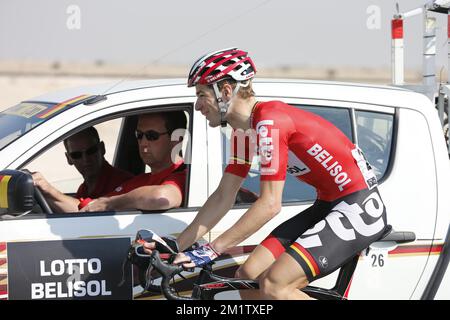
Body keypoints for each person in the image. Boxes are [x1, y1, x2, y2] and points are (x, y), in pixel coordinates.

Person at [142, 48, 389, 300]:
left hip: (356, 208)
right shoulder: (243, 131)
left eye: (202, 95)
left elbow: (270, 204)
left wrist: (211, 250)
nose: (197, 105)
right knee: (247, 275)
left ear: (226, 91)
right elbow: (224, 195)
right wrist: (176, 247)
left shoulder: (269, 121)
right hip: (327, 204)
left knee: (275, 286)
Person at [34, 111, 187, 212]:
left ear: (177, 139)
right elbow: (89, 209)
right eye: (139, 135)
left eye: (152, 136)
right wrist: (46, 190)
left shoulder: (184, 174)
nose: (143, 143)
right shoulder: (141, 181)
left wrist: (110, 203)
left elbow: (162, 198)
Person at [32, 126, 133, 212]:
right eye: (77, 155)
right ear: (69, 159)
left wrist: (48, 189)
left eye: (91, 151)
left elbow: (90, 211)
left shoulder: (124, 184)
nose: (86, 159)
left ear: (102, 148)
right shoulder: (83, 189)